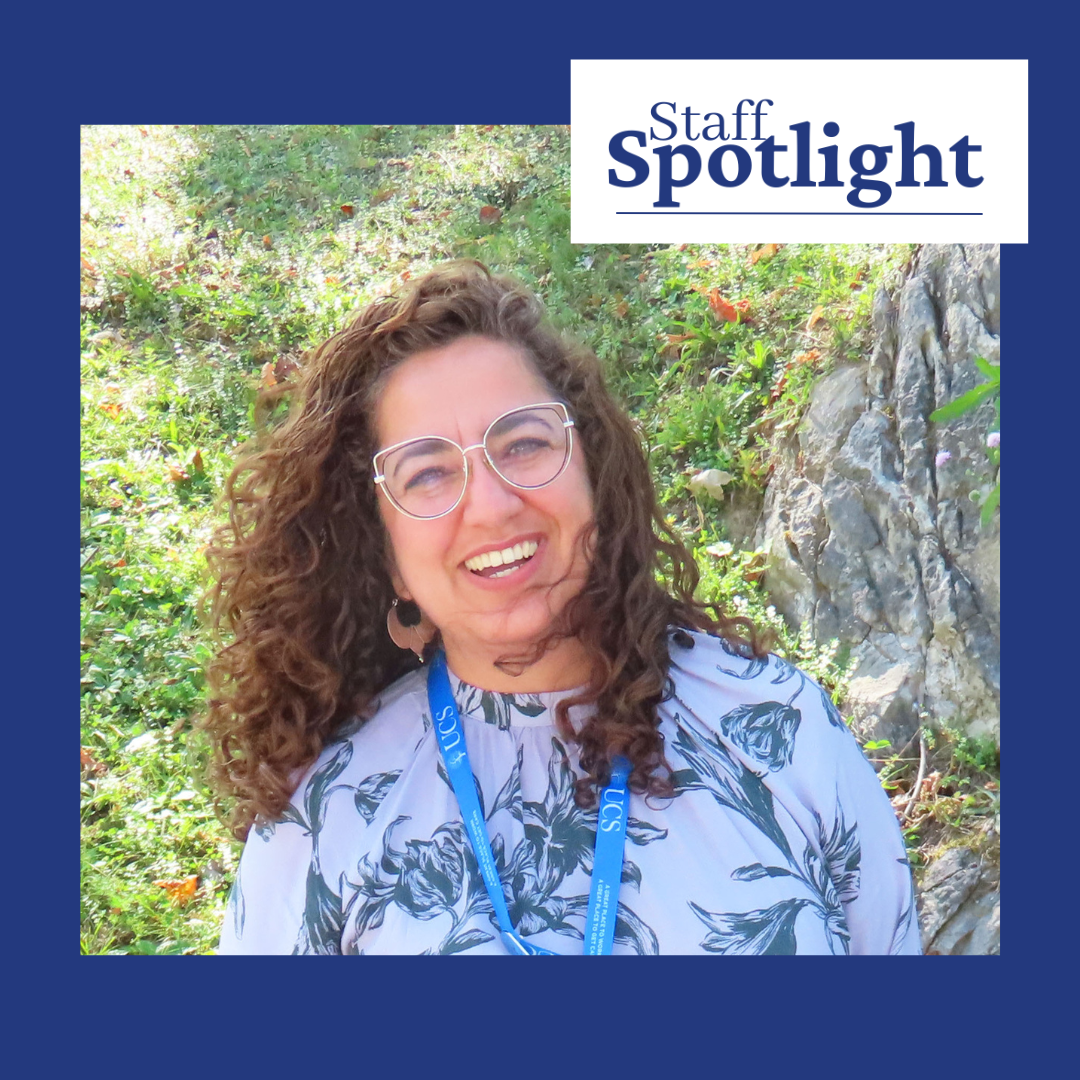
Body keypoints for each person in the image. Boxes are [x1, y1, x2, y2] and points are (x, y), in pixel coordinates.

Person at [204, 260, 920, 955]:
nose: (490, 506)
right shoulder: (332, 816)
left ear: (593, 472)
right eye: (426, 473)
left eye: (522, 444)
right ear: (383, 552)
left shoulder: (777, 732)